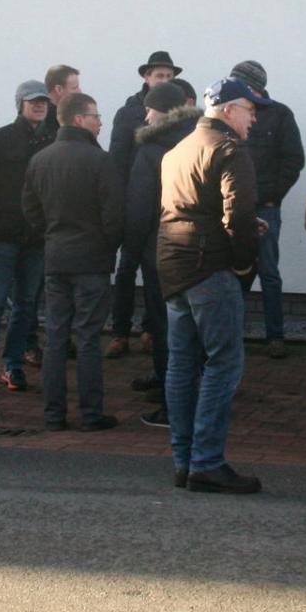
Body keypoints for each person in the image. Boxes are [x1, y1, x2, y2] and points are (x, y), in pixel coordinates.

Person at [158, 76, 270, 494]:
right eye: (249, 110)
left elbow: (184, 208)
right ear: (228, 110)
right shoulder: (229, 149)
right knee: (223, 363)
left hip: (175, 265)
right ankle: (205, 462)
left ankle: (184, 461)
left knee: (181, 364)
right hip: (210, 267)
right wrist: (243, 263)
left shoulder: (178, 149)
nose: (253, 119)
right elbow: (237, 216)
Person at [23, 92, 124, 431]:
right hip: (92, 261)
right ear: (79, 119)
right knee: (88, 337)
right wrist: (106, 246)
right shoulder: (101, 161)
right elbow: (114, 216)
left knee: (55, 336)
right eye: (96, 116)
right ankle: (91, 414)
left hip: (56, 258)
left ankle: (53, 414)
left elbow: (30, 210)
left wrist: (51, 236)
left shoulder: (40, 159)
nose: (100, 122)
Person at [125, 81, 201, 425]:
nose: (146, 116)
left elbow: (140, 207)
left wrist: (131, 248)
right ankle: (185, 390)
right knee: (188, 325)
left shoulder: (150, 150)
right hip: (194, 248)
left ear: (166, 112)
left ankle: (173, 405)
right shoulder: (200, 141)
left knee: (163, 323)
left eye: (150, 109)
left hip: (158, 248)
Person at [0, 80, 53, 396]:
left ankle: (13, 365)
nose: (39, 105)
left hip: (37, 236)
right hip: (4, 234)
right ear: (20, 104)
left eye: (43, 100)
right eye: (33, 101)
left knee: (26, 305)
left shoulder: (53, 139)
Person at [106, 51, 183, 359]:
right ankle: (120, 332)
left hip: (164, 205)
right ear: (146, 77)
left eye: (168, 76)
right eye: (158, 75)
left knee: (155, 273)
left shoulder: (178, 112)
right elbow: (116, 159)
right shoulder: (128, 113)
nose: (164, 80)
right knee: (127, 268)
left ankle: (152, 330)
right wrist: (120, 202)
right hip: (133, 201)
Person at [233, 59, 304, 359]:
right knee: (234, 273)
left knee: (268, 273)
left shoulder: (280, 114)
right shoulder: (230, 112)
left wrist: (273, 196)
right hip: (233, 209)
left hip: (265, 208)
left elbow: (294, 160)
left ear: (255, 87)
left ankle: (275, 336)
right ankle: (231, 335)